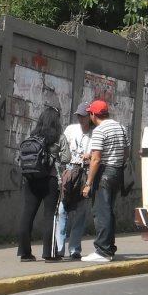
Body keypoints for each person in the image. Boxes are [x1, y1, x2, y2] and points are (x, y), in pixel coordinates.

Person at [17, 106, 70, 262]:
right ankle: (49, 254)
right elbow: (67, 158)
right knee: (49, 217)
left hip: (30, 179)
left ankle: (24, 253)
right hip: (50, 180)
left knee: (27, 214)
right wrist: (56, 158)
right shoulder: (59, 137)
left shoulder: (32, 136)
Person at [81, 100, 130, 262]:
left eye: (90, 114)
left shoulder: (99, 130)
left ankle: (102, 251)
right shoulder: (121, 128)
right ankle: (109, 247)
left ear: (93, 115)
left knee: (101, 211)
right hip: (117, 173)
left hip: (104, 175)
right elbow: (126, 152)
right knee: (108, 211)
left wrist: (88, 183)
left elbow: (96, 159)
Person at [55, 101, 93, 260]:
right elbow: (61, 148)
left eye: (83, 116)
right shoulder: (71, 130)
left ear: (90, 117)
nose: (80, 119)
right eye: (79, 116)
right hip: (69, 173)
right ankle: (58, 248)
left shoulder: (95, 133)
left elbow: (98, 156)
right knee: (62, 210)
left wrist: (89, 157)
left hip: (84, 173)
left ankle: (75, 248)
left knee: (79, 212)